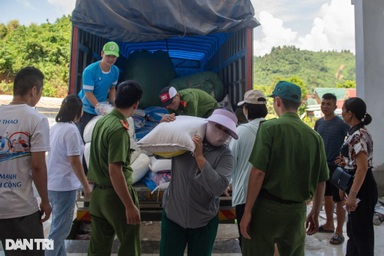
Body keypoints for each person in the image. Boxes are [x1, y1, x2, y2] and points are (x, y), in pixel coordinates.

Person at [239, 81, 329, 256]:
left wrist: (247, 211)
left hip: (266, 209)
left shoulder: (269, 129)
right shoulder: (314, 137)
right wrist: (315, 213)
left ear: (277, 101)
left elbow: (258, 173)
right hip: (296, 212)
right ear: (300, 104)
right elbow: (321, 181)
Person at [160, 108, 238, 256]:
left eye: (226, 130)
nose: (221, 132)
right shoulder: (184, 140)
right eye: (218, 126)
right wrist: (163, 126)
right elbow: (160, 149)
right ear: (208, 123)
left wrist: (200, 157)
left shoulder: (225, 155)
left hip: (204, 221)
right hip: (173, 216)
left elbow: (219, 186)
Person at [87, 80, 143, 256]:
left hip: (98, 197)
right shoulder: (119, 130)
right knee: (129, 246)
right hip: (116, 198)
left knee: (98, 248)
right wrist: (129, 205)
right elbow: (115, 170)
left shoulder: (101, 123)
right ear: (136, 104)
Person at [0, 66, 51, 255]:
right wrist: (45, 201)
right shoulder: (36, 120)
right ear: (33, 90)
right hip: (20, 209)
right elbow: (38, 166)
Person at [46, 95, 92, 256]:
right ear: (78, 111)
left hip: (53, 184)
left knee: (58, 228)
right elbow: (74, 161)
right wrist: (86, 185)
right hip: (64, 186)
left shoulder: (56, 127)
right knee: (59, 232)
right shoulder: (71, 130)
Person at [335, 97, 377, 256]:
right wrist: (344, 186)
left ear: (350, 113)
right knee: (354, 233)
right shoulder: (355, 132)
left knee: (362, 237)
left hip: (363, 189)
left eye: (343, 110)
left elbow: (362, 167)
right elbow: (353, 163)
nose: (342, 113)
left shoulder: (358, 135)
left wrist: (352, 195)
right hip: (356, 185)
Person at [228, 89, 268, 248]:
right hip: (269, 195)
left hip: (245, 195)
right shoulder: (274, 129)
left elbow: (230, 161)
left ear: (246, 109)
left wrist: (228, 182)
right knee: (266, 241)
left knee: (247, 240)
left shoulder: (241, 131)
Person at [314, 93, 350, 245]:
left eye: (329, 104)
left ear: (335, 106)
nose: (325, 106)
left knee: (339, 199)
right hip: (323, 166)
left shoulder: (341, 123)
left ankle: (339, 231)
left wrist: (344, 158)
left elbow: (351, 140)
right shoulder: (318, 123)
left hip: (337, 168)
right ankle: (329, 224)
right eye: (323, 103)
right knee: (326, 197)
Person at [77, 41, 120, 139]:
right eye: (108, 55)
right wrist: (100, 107)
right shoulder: (90, 71)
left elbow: (112, 88)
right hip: (86, 109)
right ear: (102, 53)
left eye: (113, 56)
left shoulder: (115, 71)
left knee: (99, 138)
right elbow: (88, 93)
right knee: (85, 138)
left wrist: (114, 103)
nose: (110, 59)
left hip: (101, 109)